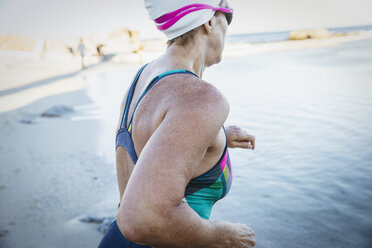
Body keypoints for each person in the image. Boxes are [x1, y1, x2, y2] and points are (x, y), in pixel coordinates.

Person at [98, 0, 256, 247]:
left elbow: (151, 140)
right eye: (228, 13)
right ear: (209, 21)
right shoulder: (201, 99)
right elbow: (140, 219)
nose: (229, 24)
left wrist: (218, 137)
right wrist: (223, 236)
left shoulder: (143, 77)